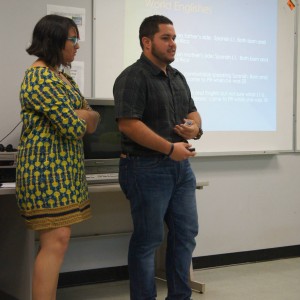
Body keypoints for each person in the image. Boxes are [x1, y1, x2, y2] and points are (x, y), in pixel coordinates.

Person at [113, 15, 203, 300]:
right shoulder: (133, 77)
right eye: (166, 38)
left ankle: (179, 296)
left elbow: (192, 112)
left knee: (185, 235)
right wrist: (168, 148)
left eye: (174, 38)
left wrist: (195, 128)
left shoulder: (177, 77)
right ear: (147, 42)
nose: (173, 44)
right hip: (145, 167)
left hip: (180, 168)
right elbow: (128, 124)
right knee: (149, 240)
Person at [15, 14, 100, 300]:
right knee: (55, 241)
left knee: (59, 241)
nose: (77, 45)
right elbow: (74, 125)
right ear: (53, 40)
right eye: (72, 39)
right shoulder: (38, 76)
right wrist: (82, 115)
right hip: (44, 173)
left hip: (63, 173)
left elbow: (93, 117)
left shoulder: (61, 76)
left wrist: (84, 114)